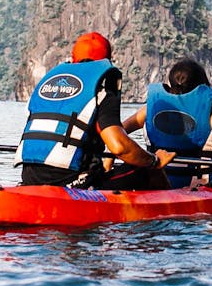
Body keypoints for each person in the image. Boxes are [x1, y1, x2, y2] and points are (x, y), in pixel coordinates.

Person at [17, 31, 175, 190]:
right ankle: (173, 204)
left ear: (73, 60)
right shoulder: (101, 91)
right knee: (148, 168)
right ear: (106, 61)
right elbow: (119, 146)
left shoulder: (48, 87)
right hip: (73, 183)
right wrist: (154, 160)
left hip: (30, 178)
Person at [122, 58, 212, 191]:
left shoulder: (150, 108)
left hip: (157, 180)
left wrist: (109, 162)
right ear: (201, 84)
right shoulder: (211, 109)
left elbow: (121, 130)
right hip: (199, 182)